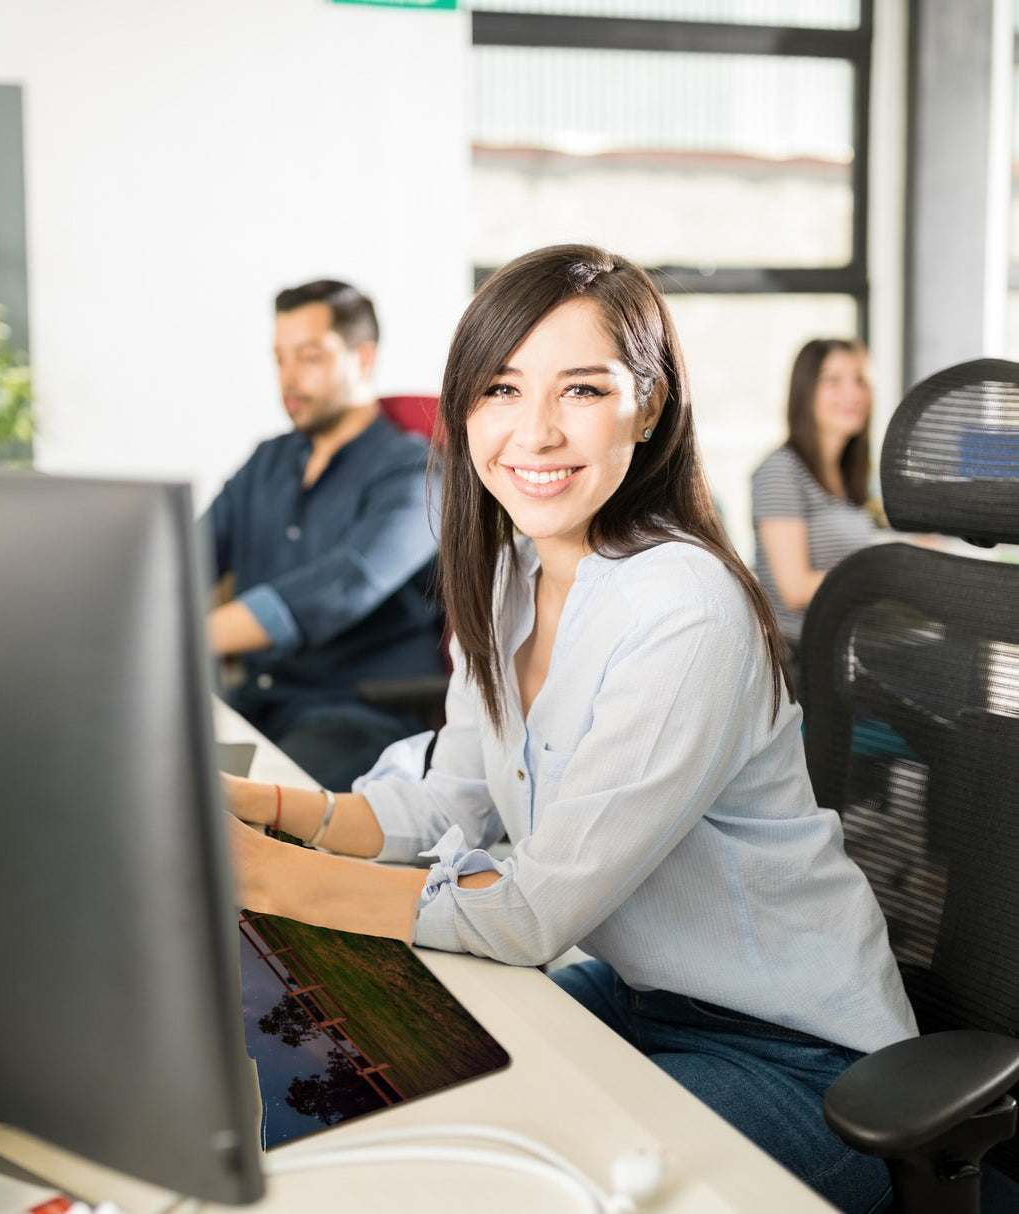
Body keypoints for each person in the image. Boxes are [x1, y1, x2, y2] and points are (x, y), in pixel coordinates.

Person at [223, 246, 916, 1214]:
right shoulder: (510, 572)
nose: (534, 430)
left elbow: (529, 909)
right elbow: (443, 797)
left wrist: (255, 874)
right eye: (500, 388)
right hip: (637, 998)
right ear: (463, 408)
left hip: (800, 1057)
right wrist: (246, 806)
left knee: (511, 1193)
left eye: (581, 388)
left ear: (647, 404)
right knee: (372, 1090)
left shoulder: (685, 607)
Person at [203, 279, 444, 790]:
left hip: (358, 714)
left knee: (239, 817)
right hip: (259, 702)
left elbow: (345, 585)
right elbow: (180, 561)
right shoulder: (266, 461)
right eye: (279, 359)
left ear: (362, 358)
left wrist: (186, 636)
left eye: (308, 357)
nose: (287, 378)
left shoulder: (417, 473)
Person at [751, 338, 887, 679]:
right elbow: (794, 589)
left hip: (847, 649)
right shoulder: (780, 470)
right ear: (805, 390)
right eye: (833, 380)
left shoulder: (849, 479)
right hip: (803, 659)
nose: (852, 393)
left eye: (860, 380)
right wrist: (890, 569)